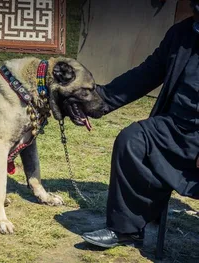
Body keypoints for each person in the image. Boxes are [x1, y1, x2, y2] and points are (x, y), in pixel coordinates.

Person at [81, 0, 199, 248]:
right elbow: (147, 73)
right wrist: (98, 100)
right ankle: (126, 228)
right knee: (132, 140)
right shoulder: (182, 33)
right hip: (174, 127)